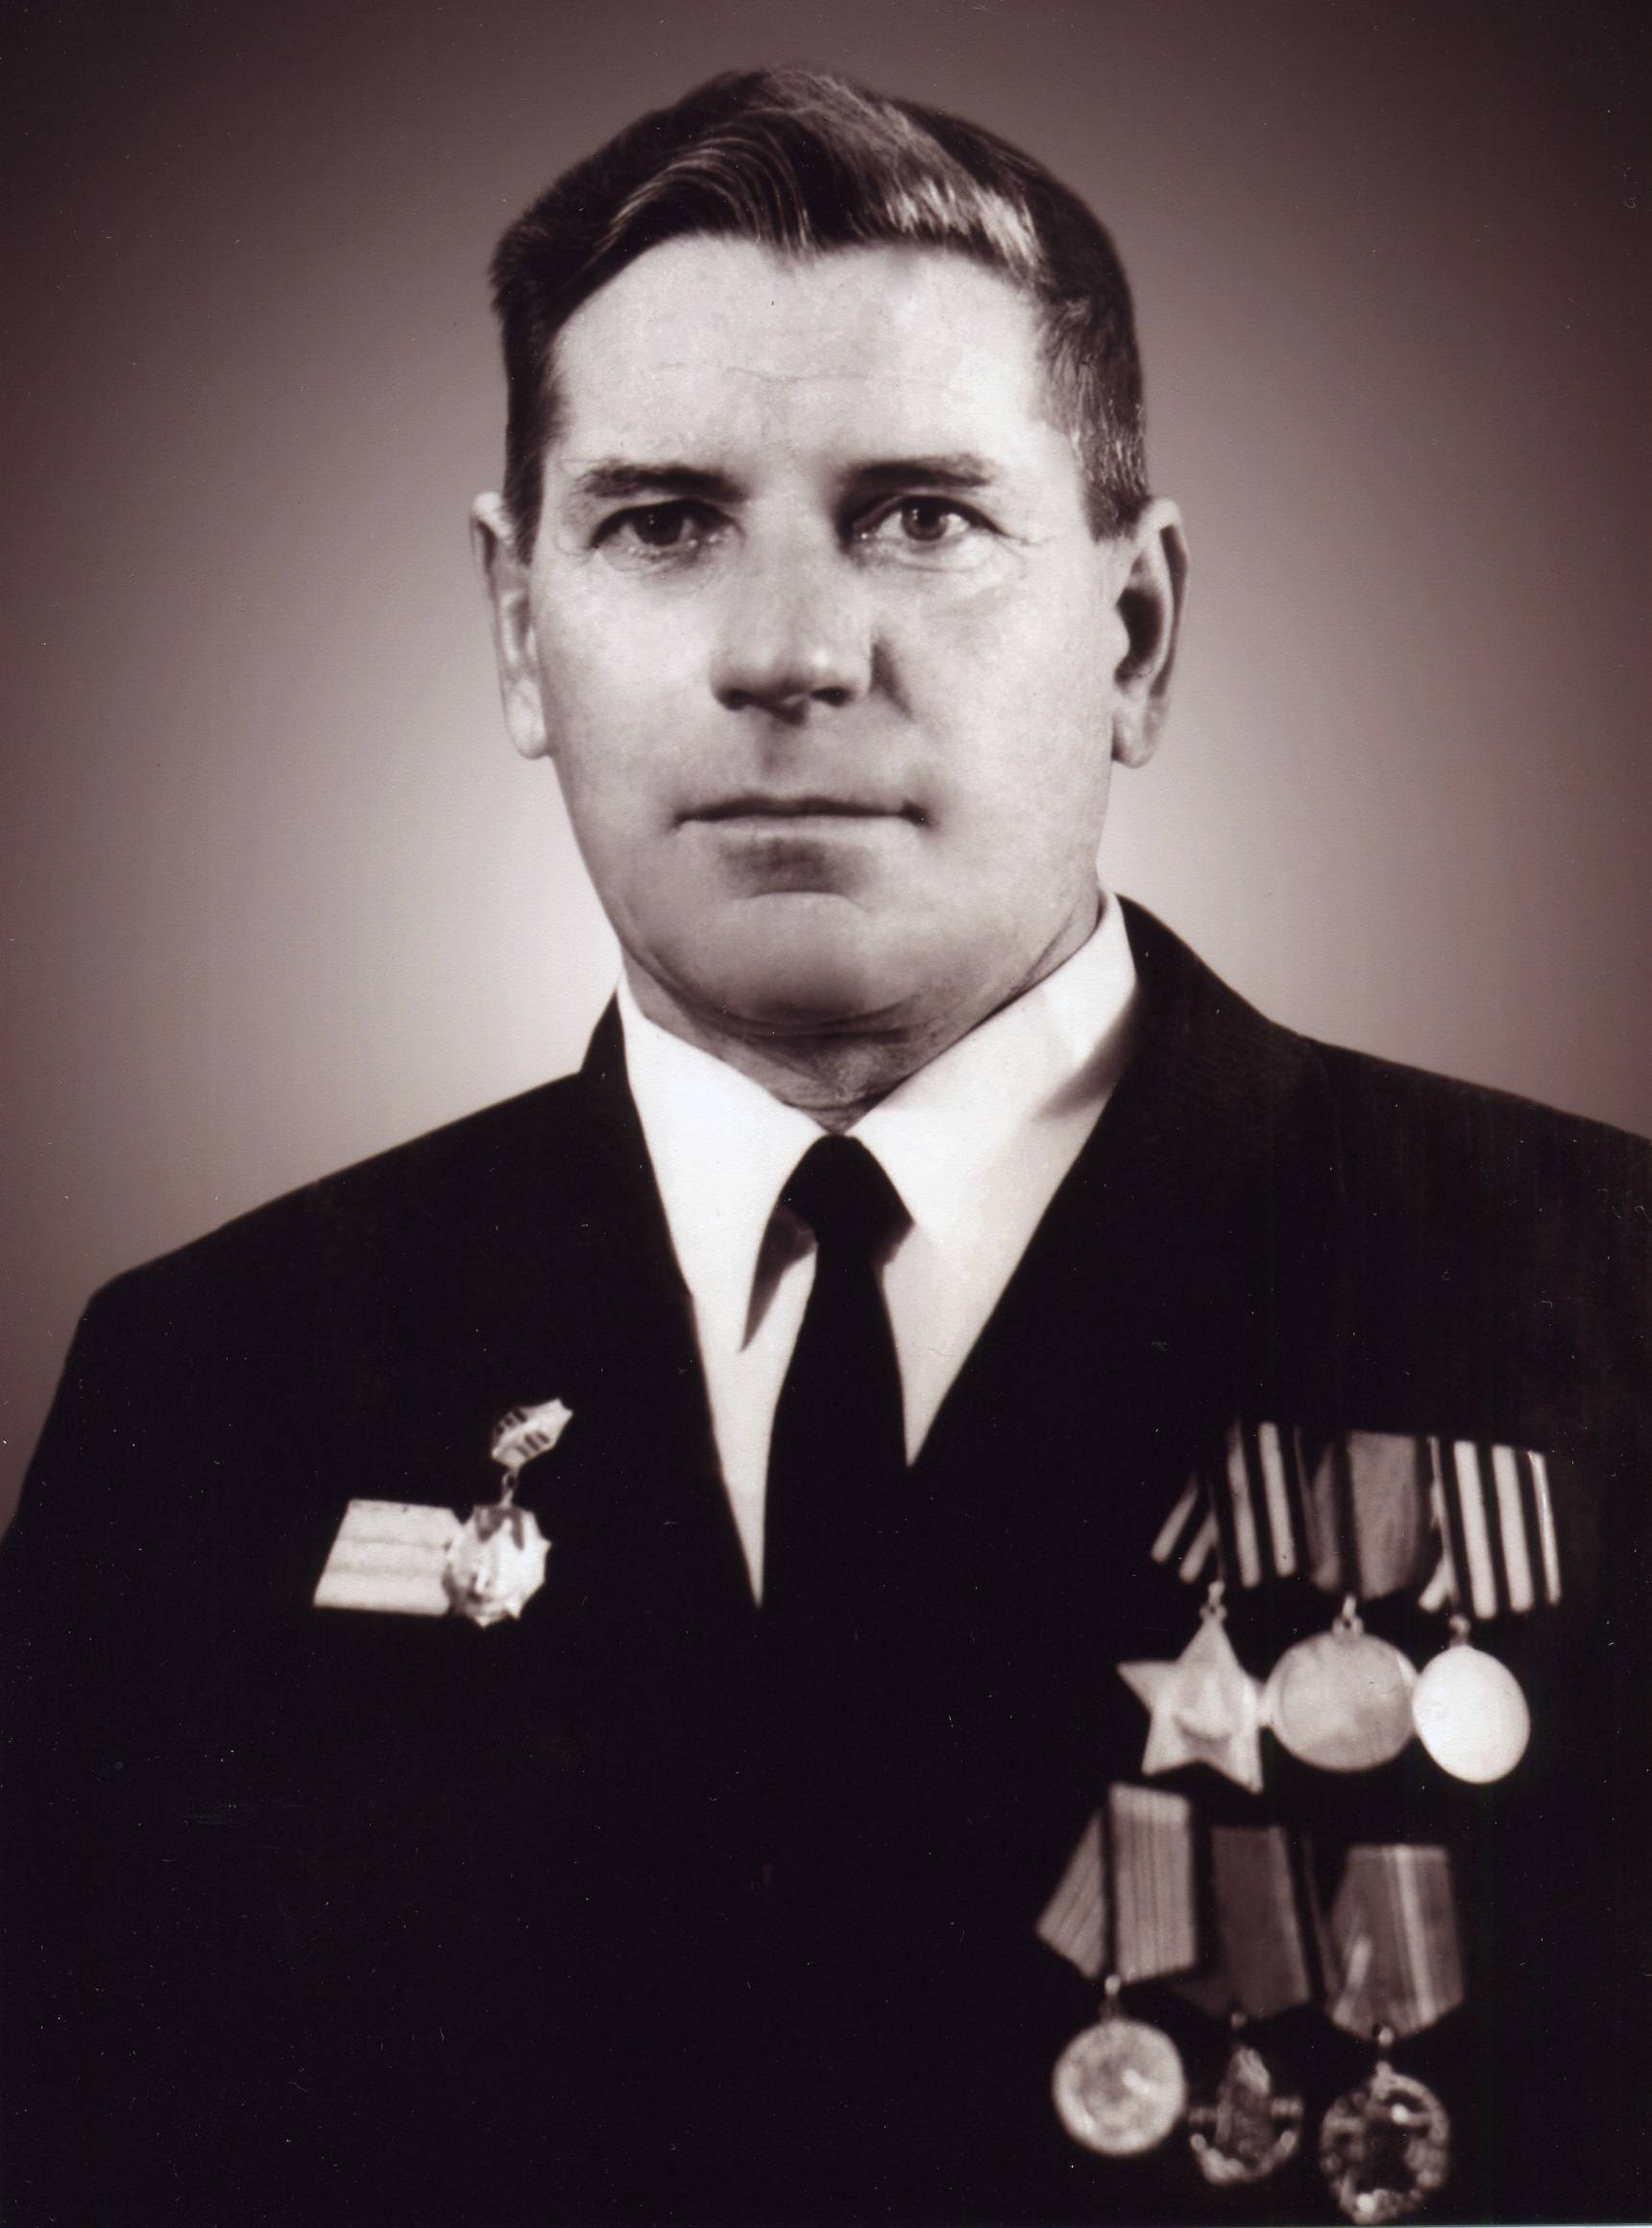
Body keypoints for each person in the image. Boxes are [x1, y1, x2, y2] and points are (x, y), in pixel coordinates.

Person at [1, 66, 1646, 2228]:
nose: (788, 653)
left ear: (1134, 633)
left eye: (921, 516)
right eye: (662, 523)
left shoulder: (1601, 1302)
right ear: (518, 629)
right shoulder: (209, 1392)